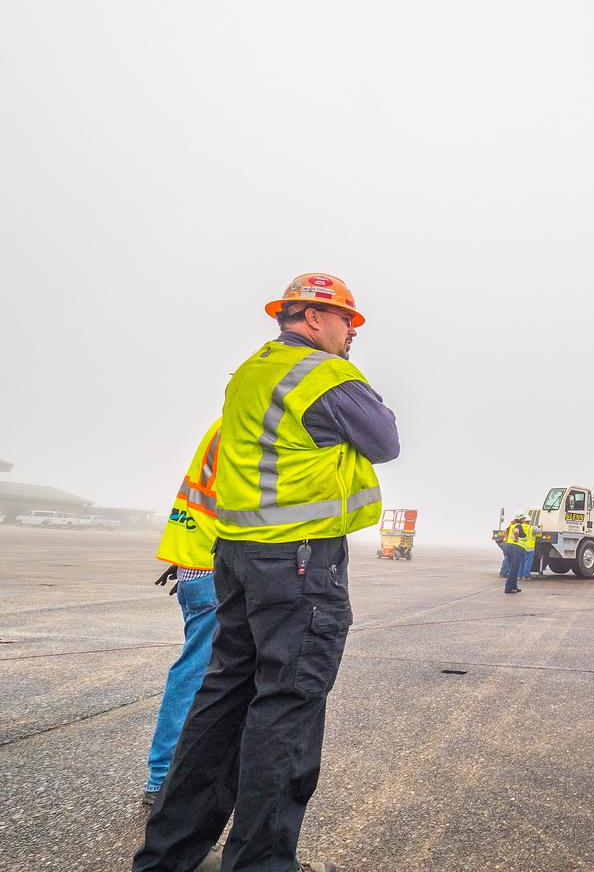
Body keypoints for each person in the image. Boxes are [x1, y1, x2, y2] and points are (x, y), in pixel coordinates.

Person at [134, 273, 400, 872]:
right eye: (345, 321)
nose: (352, 333)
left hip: (236, 557)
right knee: (289, 706)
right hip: (300, 564)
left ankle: (167, 855)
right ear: (311, 318)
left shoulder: (249, 374)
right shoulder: (324, 375)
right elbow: (384, 440)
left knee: (222, 699)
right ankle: (260, 864)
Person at [143, 419, 222, 808]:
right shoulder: (245, 428)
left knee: (197, 671)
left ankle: (166, 775)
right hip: (213, 570)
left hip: (194, 566)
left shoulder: (220, 427)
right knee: (197, 674)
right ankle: (162, 778)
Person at [502, 513, 532, 593]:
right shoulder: (518, 526)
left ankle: (514, 586)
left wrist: (506, 538)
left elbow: (505, 531)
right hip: (516, 548)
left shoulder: (512, 525)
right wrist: (515, 538)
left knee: (514, 568)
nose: (524, 520)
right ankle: (508, 589)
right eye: (523, 518)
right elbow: (516, 531)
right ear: (520, 519)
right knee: (514, 569)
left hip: (508, 547)